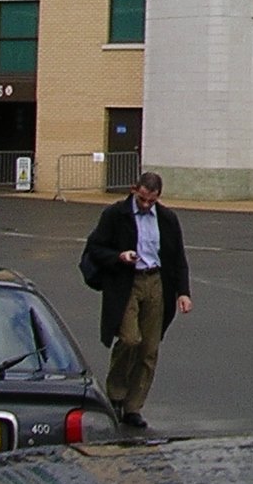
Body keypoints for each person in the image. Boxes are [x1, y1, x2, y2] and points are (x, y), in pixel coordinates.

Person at [81, 171, 193, 429]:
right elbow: (95, 248)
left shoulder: (167, 219)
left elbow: (178, 259)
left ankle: (133, 407)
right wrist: (119, 256)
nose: (145, 205)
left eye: (150, 201)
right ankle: (116, 393)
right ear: (134, 190)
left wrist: (183, 293)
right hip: (126, 282)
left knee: (149, 349)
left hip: (156, 282)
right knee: (130, 339)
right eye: (141, 199)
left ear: (158, 198)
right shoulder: (115, 215)